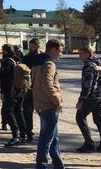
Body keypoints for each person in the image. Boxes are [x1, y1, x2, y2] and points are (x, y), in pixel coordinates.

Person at [32, 39, 65, 169]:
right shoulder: (49, 64)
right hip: (49, 105)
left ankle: (58, 164)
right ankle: (41, 165)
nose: (60, 54)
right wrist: (57, 101)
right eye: (60, 51)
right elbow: (47, 84)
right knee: (46, 139)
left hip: (40, 103)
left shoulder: (37, 61)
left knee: (53, 138)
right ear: (53, 50)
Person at [75, 46, 101, 153]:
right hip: (98, 96)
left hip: (91, 97)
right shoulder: (97, 64)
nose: (79, 56)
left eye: (81, 54)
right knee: (99, 120)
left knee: (80, 117)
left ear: (87, 54)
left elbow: (87, 85)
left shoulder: (89, 66)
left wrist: (81, 100)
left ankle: (89, 143)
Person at [0, 44, 27, 146]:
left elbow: (4, 79)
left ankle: (15, 136)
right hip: (21, 90)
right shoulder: (18, 59)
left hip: (11, 91)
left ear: (5, 51)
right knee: (19, 112)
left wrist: (2, 92)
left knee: (9, 112)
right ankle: (23, 135)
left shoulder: (7, 61)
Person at [22, 38, 40, 142]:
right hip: (29, 88)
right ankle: (28, 132)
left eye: (32, 46)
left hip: (39, 88)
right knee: (28, 111)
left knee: (41, 111)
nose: (30, 48)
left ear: (37, 46)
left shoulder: (41, 57)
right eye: (30, 46)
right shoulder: (26, 57)